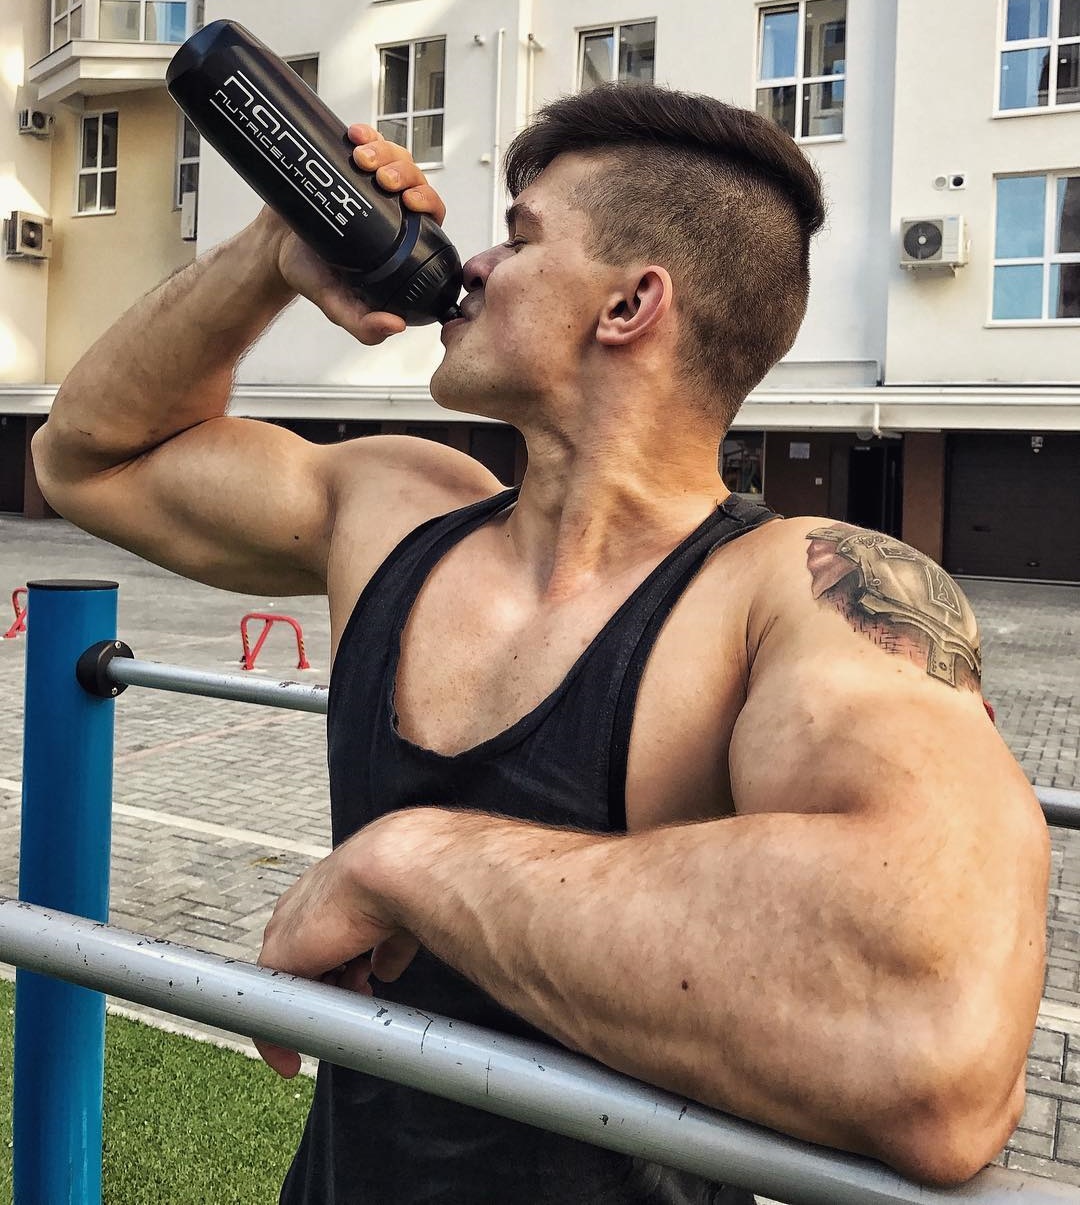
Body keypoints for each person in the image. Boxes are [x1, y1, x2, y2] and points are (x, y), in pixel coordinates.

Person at [33, 83, 1048, 1202]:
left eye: (519, 240)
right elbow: (88, 458)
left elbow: (939, 1045)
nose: (471, 265)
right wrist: (271, 253)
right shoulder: (396, 508)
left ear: (630, 304)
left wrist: (411, 863)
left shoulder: (799, 590)